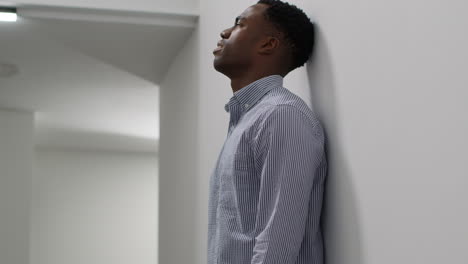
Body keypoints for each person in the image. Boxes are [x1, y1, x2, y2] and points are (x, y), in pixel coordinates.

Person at [207, 0, 327, 263]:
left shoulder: (282, 116)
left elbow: (277, 242)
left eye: (239, 24)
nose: (224, 32)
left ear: (268, 44)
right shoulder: (248, 120)